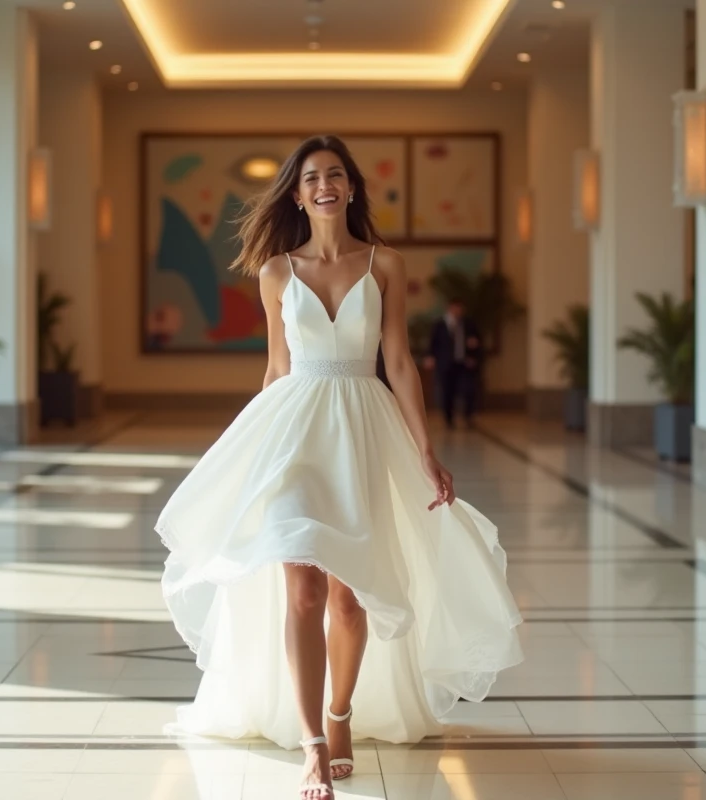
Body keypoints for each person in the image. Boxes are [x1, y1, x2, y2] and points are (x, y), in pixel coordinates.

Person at [155, 135, 523, 800]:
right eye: (311, 178)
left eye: (334, 175)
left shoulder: (386, 265)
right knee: (302, 591)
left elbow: (402, 363)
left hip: (361, 426)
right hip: (295, 432)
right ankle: (313, 744)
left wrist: (426, 450)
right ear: (297, 194)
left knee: (349, 597)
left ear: (351, 188)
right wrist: (251, 456)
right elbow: (275, 369)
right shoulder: (274, 272)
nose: (323, 185)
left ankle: (340, 711)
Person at [424, 299, 482, 428]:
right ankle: (449, 418)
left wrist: (473, 353)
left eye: (460, 308)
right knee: (447, 391)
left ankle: (468, 417)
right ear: (449, 308)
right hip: (445, 364)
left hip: (464, 363)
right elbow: (432, 343)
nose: (458, 311)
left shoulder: (468, 324)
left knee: (468, 390)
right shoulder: (439, 325)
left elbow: (477, 342)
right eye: (455, 308)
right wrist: (430, 357)